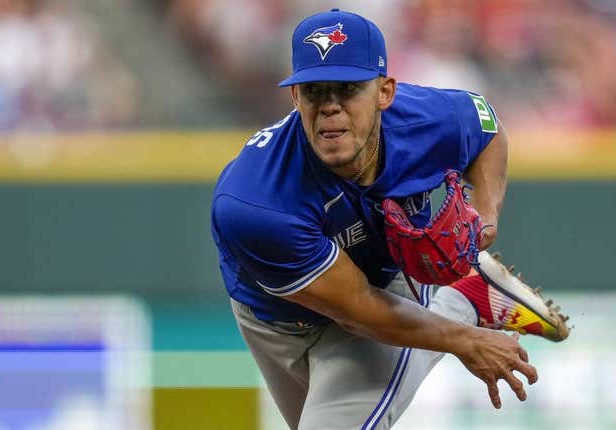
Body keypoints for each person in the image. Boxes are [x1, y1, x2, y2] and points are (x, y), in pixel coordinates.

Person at [211, 9, 568, 430]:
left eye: (346, 89)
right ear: (295, 98)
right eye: (314, 91)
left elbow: (485, 126)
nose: (329, 107)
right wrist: (464, 339)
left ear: (385, 92)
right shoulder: (256, 203)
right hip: (278, 319)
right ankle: (466, 297)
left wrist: (483, 216)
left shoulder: (427, 119)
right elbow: (355, 308)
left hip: (386, 285)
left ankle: (462, 295)